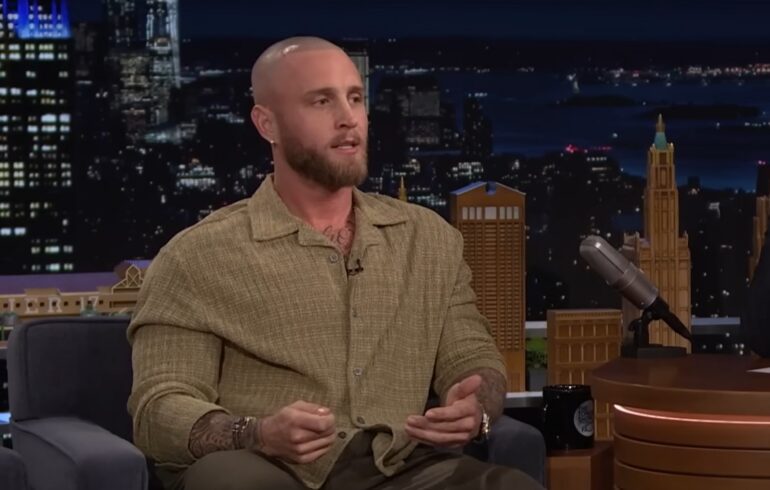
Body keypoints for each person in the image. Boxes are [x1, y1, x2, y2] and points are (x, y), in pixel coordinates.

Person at [128, 36, 543, 490]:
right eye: (321, 101)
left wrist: (477, 403)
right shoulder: (197, 256)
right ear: (267, 124)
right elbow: (160, 409)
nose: (348, 118)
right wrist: (257, 433)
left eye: (355, 98)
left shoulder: (428, 239)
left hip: (400, 466)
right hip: (266, 467)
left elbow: (473, 357)